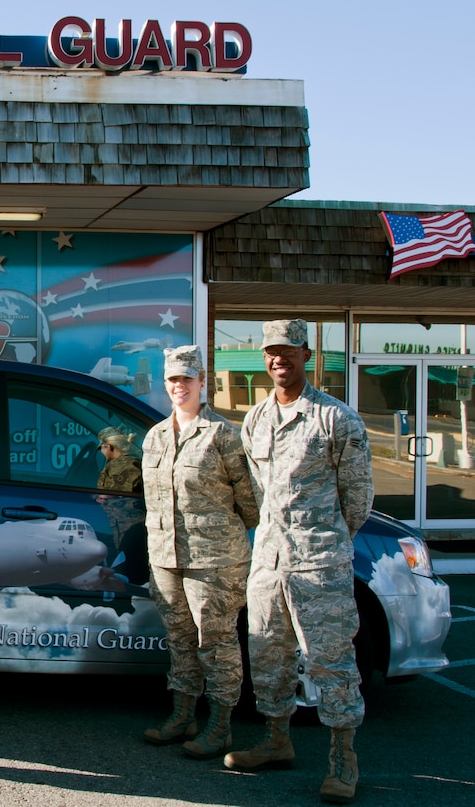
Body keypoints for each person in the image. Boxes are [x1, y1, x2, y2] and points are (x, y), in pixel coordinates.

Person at [226, 319, 373, 805]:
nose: (278, 360)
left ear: (306, 354)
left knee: (331, 660)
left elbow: (358, 498)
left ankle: (342, 759)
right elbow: (259, 490)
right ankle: (276, 741)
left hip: (319, 564)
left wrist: (323, 541)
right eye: (271, 352)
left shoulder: (336, 419)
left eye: (288, 351)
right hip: (268, 561)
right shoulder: (255, 419)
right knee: (268, 654)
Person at [140, 345, 259, 760]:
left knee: (217, 641)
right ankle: (182, 716)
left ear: (202, 382)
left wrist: (216, 533)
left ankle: (221, 726)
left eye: (187, 379)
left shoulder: (222, 434)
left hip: (215, 560)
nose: (179, 386)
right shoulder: (154, 436)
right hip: (166, 558)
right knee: (180, 640)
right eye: (173, 379)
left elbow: (250, 502)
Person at [96, 426, 143, 494]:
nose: (101, 451)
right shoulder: (134, 462)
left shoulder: (118, 467)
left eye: (101, 448)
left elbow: (115, 497)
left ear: (109, 447)